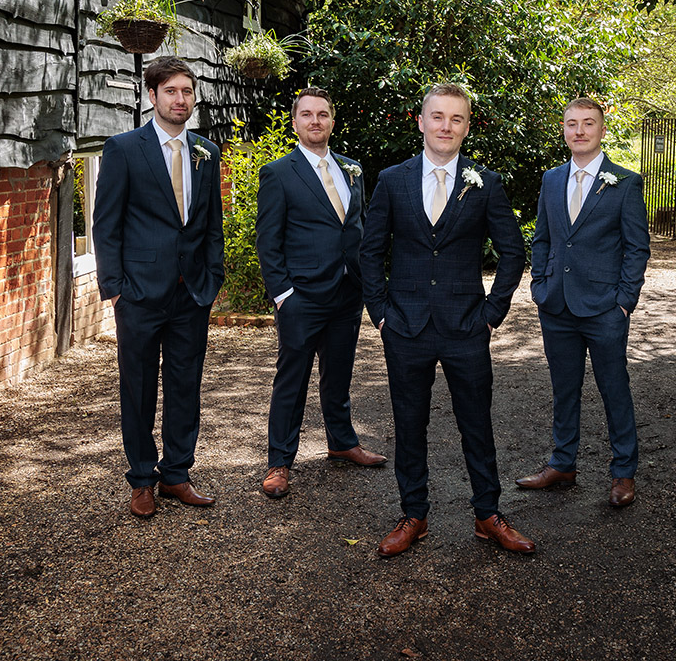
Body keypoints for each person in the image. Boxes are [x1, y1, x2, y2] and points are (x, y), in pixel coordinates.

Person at [359, 83, 533, 557]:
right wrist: (380, 315)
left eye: (456, 119)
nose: (446, 126)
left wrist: (492, 314)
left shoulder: (486, 182)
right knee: (409, 424)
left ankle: (487, 515)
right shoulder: (393, 179)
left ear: (467, 126)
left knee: (476, 423)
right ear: (420, 121)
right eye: (437, 117)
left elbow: (514, 251)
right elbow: (371, 251)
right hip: (405, 326)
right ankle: (413, 515)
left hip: (466, 326)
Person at [92, 56, 224, 519]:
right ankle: (143, 479)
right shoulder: (124, 149)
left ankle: (177, 474)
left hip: (192, 293)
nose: (180, 99)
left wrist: (214, 277)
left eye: (187, 91)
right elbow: (105, 223)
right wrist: (114, 288)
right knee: (140, 387)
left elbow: (211, 225)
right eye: (170, 91)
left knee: (186, 386)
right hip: (139, 294)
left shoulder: (207, 152)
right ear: (152, 96)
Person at [515, 97, 650, 507]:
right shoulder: (551, 179)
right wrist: (540, 286)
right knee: (564, 389)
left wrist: (624, 300)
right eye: (572, 123)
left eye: (588, 123)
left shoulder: (624, 182)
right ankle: (562, 463)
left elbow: (636, 248)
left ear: (602, 129)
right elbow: (543, 238)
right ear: (563, 129)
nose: (579, 131)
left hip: (605, 308)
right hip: (556, 304)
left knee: (614, 389)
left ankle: (623, 473)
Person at [254, 87, 387, 499]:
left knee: (340, 374)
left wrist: (367, 283)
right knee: (291, 380)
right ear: (295, 122)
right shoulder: (279, 173)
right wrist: (283, 295)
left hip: (347, 292)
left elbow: (359, 229)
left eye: (323, 114)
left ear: (332, 121)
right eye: (307, 115)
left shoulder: (353, 169)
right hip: (302, 297)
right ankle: (279, 461)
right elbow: (268, 241)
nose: (315, 121)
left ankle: (342, 442)